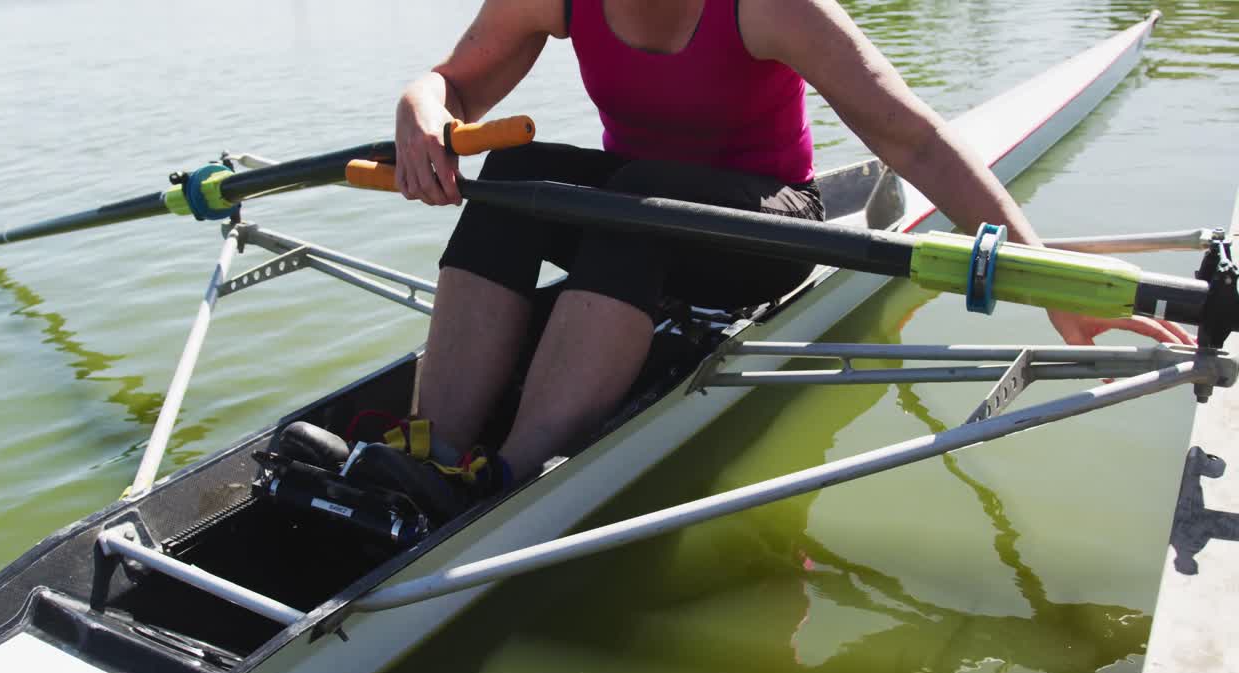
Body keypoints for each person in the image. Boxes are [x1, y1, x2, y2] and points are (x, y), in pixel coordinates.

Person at [384, 0, 1192, 520]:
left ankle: (508, 484)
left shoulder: (773, 6)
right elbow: (454, 87)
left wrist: (1041, 269)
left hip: (766, 232)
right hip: (640, 208)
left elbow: (913, 138)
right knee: (521, 176)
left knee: (639, 197)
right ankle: (436, 452)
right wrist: (421, 106)